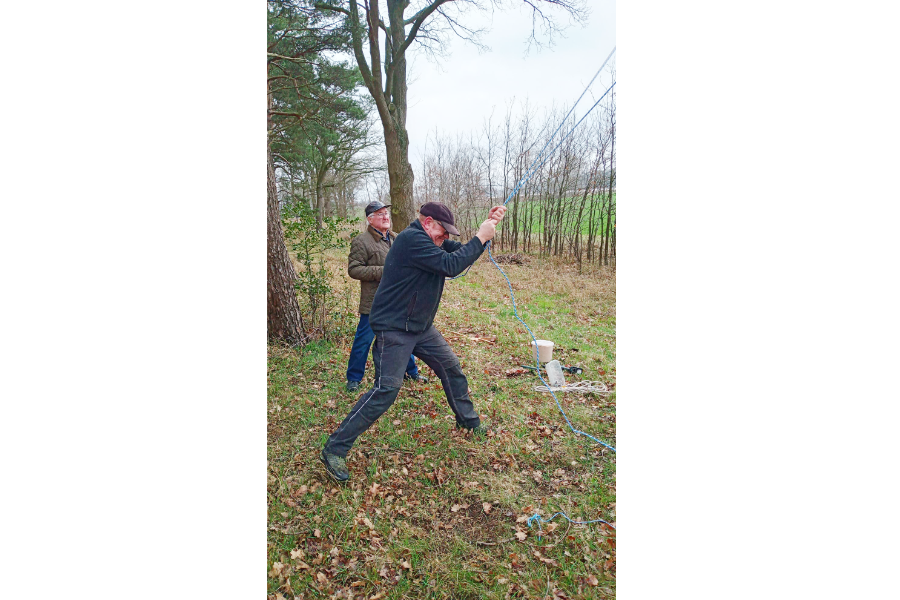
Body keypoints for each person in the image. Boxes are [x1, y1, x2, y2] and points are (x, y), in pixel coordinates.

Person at [320, 201, 507, 482]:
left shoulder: (431, 241)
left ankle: (468, 422)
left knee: (450, 367)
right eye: (443, 231)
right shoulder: (411, 240)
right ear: (428, 222)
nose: (446, 237)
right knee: (386, 389)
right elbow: (452, 265)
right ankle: (334, 449)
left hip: (420, 326)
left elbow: (460, 253)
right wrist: (481, 236)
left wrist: (487, 228)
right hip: (394, 327)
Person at [345, 200, 426, 393]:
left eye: (386, 213)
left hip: (398, 300)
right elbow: (354, 270)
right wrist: (385, 271)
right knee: (363, 340)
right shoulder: (361, 241)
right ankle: (354, 378)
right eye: (380, 214)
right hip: (374, 302)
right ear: (370, 219)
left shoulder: (397, 238)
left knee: (402, 337)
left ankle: (410, 372)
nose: (385, 217)